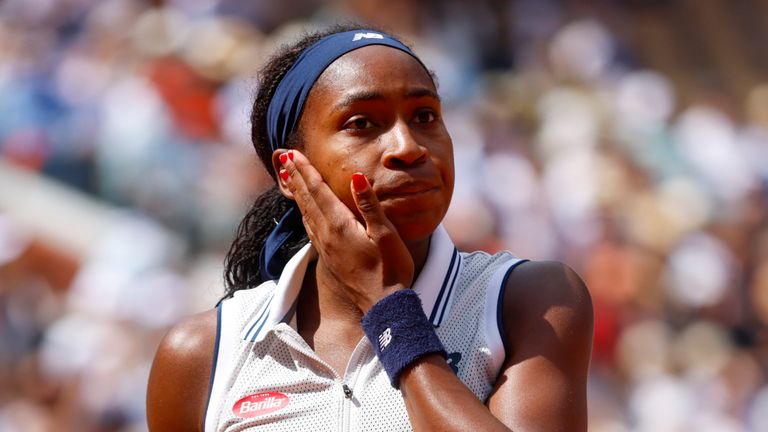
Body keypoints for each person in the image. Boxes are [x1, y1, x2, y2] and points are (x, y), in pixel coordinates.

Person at [146, 23, 593, 432]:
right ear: (290, 172)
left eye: (425, 116)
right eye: (361, 124)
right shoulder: (204, 353)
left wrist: (390, 311)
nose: (408, 147)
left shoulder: (531, 299)